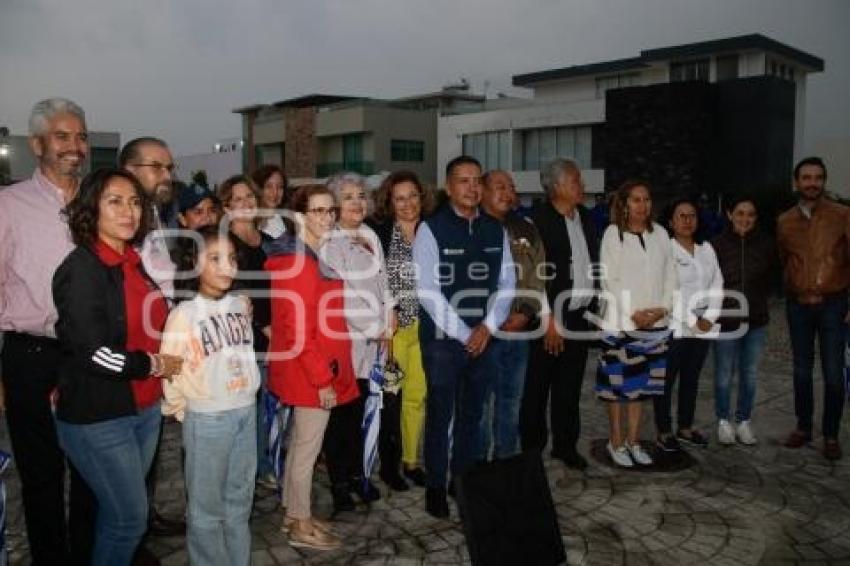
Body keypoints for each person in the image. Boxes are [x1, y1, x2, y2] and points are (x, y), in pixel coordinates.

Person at [52, 168, 183, 564]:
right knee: (129, 519)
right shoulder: (81, 270)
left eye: (134, 202)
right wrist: (153, 363)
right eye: (115, 201)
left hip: (142, 408)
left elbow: (152, 320)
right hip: (100, 415)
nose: (128, 211)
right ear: (92, 209)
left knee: (118, 515)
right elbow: (94, 353)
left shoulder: (130, 259)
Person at [0, 97, 96, 565]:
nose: (74, 146)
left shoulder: (99, 202)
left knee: (90, 469)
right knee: (39, 473)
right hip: (31, 357)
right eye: (62, 136)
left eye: (80, 136)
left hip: (89, 357)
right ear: (37, 143)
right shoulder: (8, 205)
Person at [413, 156, 515, 518]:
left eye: (476, 181)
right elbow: (426, 290)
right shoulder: (431, 229)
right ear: (449, 186)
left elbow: (507, 284)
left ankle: (462, 480)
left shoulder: (494, 229)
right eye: (463, 181)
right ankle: (436, 487)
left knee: (472, 416)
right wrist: (464, 332)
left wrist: (487, 327)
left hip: (485, 340)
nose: (471, 187)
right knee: (441, 416)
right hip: (442, 342)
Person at [160, 226, 261, 566]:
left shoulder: (241, 304)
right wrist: (180, 409)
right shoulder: (183, 315)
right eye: (214, 259)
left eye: (232, 258)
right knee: (206, 508)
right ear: (192, 264)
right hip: (208, 418)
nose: (227, 267)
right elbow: (170, 367)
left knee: (239, 501)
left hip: (245, 411)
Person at [265, 185, 358, 551]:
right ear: (298, 217)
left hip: (309, 367)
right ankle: (301, 525)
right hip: (311, 371)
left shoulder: (306, 255)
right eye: (317, 211)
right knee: (306, 450)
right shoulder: (300, 263)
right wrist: (323, 379)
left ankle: (294, 512)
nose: (327, 217)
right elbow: (299, 331)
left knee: (300, 447)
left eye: (329, 210)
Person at [120, 137, 187, 549]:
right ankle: (127, 534)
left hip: (160, 351)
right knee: (125, 456)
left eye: (170, 167)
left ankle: (144, 517)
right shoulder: (120, 220)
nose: (167, 175)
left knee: (149, 447)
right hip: (129, 353)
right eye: (157, 167)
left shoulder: (157, 216)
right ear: (130, 171)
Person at [520, 159, 599, 470]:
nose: (582, 186)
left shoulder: (588, 219)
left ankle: (565, 446)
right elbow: (531, 274)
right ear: (558, 186)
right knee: (537, 388)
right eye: (577, 180)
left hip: (579, 318)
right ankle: (531, 448)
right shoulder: (536, 222)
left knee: (569, 387)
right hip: (548, 318)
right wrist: (548, 318)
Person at [320, 172, 392, 507]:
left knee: (365, 408)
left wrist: (390, 317)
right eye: (348, 196)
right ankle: (340, 482)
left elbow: (383, 282)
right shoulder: (329, 242)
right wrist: (375, 328)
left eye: (361, 195)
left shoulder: (370, 234)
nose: (357, 202)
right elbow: (344, 296)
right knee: (343, 415)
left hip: (376, 339)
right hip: (347, 340)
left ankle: (359, 473)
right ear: (335, 204)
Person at [595, 180, 677, 468]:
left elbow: (671, 276)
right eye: (636, 200)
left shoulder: (661, 235)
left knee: (641, 387)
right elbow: (609, 279)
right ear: (625, 204)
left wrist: (661, 309)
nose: (643, 205)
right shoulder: (612, 235)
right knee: (618, 387)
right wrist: (633, 312)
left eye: (647, 199)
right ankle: (615, 441)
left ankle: (634, 441)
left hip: (656, 324)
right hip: (620, 324)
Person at [777, 157, 850, 460]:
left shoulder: (843, 215)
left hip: (834, 304)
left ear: (824, 180)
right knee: (801, 371)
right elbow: (785, 261)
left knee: (833, 374)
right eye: (806, 177)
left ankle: (830, 434)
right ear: (797, 182)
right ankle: (803, 426)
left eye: (817, 177)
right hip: (798, 307)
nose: (812, 183)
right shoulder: (785, 221)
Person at [368, 170, 433, 487]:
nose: (408, 204)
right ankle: (388, 466)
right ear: (390, 203)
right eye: (400, 198)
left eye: (413, 196)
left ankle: (411, 461)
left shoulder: (432, 230)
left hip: (425, 329)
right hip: (392, 331)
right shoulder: (379, 232)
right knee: (390, 400)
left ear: (422, 197)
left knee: (417, 397)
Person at [480, 169, 546, 460]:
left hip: (517, 331)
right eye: (500, 187)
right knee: (478, 405)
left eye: (511, 188)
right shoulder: (470, 226)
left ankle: (505, 464)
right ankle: (476, 469)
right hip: (480, 333)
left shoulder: (526, 229)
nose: (508, 193)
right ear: (481, 191)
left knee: (510, 403)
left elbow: (538, 274)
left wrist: (524, 313)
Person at [216, 175, 275, 488]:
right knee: (248, 409)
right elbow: (239, 293)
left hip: (275, 334)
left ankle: (262, 463)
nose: (245, 204)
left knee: (266, 406)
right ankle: (251, 470)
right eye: (237, 200)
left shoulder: (265, 239)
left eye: (249, 197)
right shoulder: (227, 243)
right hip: (249, 339)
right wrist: (268, 329)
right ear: (226, 206)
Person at [653, 197, 723, 452]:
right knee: (666, 381)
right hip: (676, 326)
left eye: (691, 215)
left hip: (704, 327)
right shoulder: (666, 251)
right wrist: (694, 321)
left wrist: (710, 317)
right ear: (671, 222)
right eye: (681, 216)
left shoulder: (707, 249)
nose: (687, 220)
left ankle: (685, 427)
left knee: (691, 379)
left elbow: (717, 285)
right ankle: (663, 430)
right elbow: (671, 292)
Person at [710, 196, 777, 446]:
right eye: (740, 213)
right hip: (726, 321)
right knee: (724, 374)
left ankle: (744, 420)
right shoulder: (715, 245)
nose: (745, 219)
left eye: (750, 214)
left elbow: (773, 278)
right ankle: (723, 421)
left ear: (756, 217)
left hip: (756, 321)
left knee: (749, 374)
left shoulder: (767, 245)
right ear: (729, 214)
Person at [251, 164, 292, 239]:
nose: (275, 192)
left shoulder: (289, 220)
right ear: (258, 190)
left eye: (280, 187)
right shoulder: (249, 222)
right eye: (269, 187)